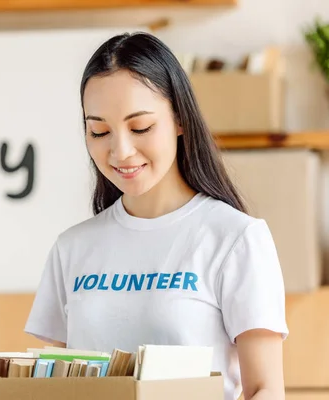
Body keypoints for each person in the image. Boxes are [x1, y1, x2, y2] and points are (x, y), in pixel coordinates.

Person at [24, 31, 288, 400]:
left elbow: (265, 390)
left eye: (140, 127)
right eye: (99, 131)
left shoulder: (235, 239)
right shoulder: (72, 249)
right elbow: (52, 388)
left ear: (180, 119)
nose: (121, 151)